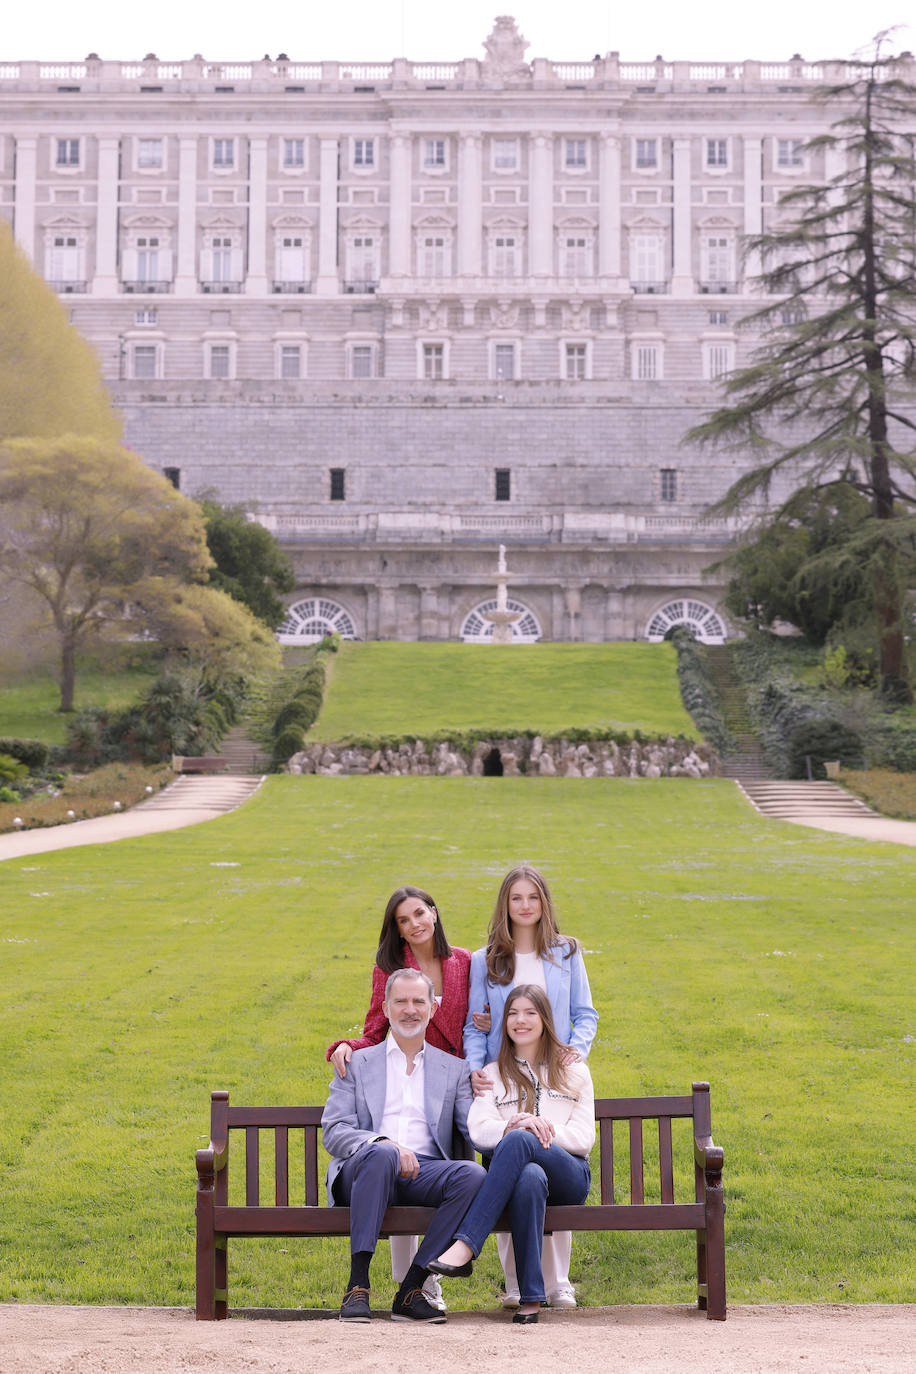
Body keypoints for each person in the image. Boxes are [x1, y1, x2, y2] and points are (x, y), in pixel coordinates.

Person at [326, 885, 474, 1309]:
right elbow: (335, 1131)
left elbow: (472, 1127)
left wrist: (512, 1126)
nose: (410, 1010)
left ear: (432, 1008)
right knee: (381, 1155)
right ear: (386, 1008)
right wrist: (382, 1144)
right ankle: (357, 1286)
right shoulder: (357, 1063)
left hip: (425, 1172)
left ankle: (413, 1287)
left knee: (472, 1176)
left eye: (418, 1002)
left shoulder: (452, 1070)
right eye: (400, 1002)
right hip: (367, 1169)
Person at [462, 863, 598, 1309]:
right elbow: (476, 1024)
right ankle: (520, 1284)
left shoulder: (566, 953)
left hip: (555, 1075)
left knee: (534, 1149)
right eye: (515, 898)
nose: (524, 906)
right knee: (521, 1167)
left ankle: (555, 1281)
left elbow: (585, 1014)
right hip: (507, 1077)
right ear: (505, 904)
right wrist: (478, 1070)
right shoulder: (486, 961)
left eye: (532, 897)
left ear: (544, 903)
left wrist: (572, 1052)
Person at [428, 985, 595, 1324]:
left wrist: (540, 1128)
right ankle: (530, 1299)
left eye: (530, 1013)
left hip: (569, 1174)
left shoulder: (573, 1070)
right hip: (518, 1178)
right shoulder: (493, 1074)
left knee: (522, 1138)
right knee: (528, 1177)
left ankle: (466, 1245)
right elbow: (477, 1129)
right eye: (513, 1013)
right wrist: (508, 1129)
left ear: (545, 1019)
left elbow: (583, 1139)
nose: (521, 1020)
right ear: (504, 1022)